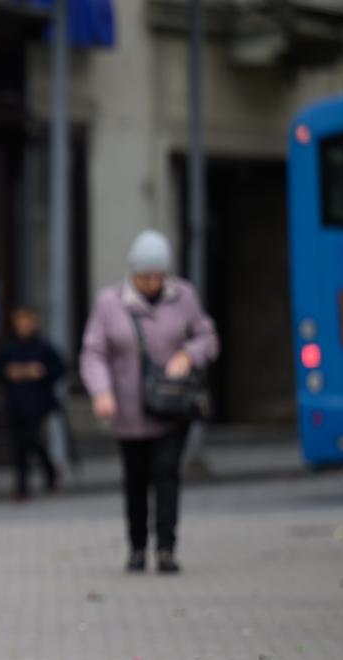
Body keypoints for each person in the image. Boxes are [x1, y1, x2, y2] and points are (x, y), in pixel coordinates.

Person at [80, 229, 218, 574]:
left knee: (167, 473)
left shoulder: (183, 296)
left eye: (158, 275)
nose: (152, 282)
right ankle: (137, 547)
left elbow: (207, 335)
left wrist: (189, 355)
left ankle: (167, 548)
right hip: (127, 409)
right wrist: (101, 392)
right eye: (145, 276)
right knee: (135, 479)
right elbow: (93, 352)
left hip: (172, 406)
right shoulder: (109, 302)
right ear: (133, 272)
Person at [0, 306, 66, 500]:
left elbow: (59, 368)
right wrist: (9, 372)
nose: (23, 327)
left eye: (27, 323)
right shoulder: (8, 347)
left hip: (38, 401)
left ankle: (42, 474)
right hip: (15, 401)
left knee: (32, 439)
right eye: (20, 323)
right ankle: (24, 483)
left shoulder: (44, 346)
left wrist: (40, 371)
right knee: (19, 444)